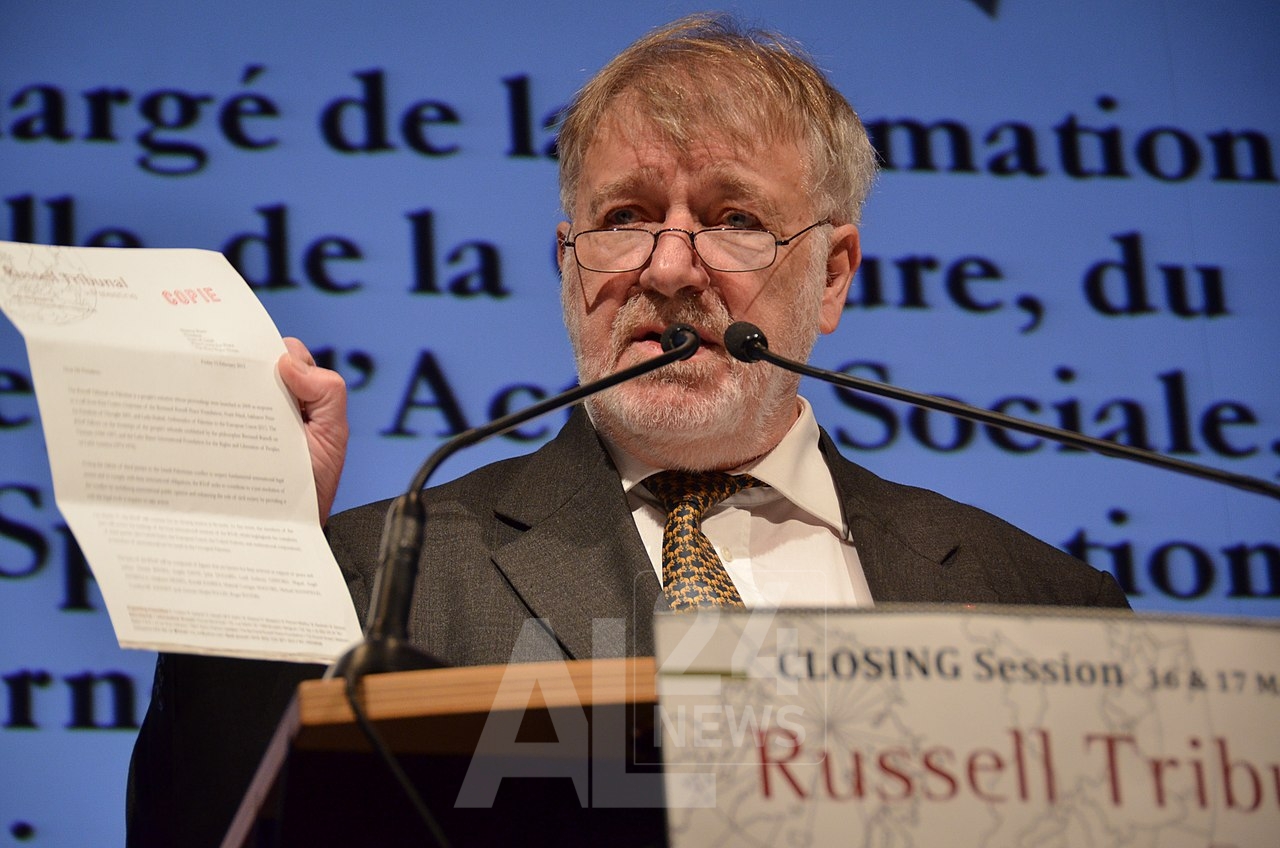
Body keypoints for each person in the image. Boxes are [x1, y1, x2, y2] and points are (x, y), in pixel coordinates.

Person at [127, 14, 1129, 847]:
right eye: (625, 218)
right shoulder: (382, 579)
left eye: (734, 218)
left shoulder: (1041, 602)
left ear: (831, 276)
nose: (668, 266)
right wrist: (250, 565)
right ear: (570, 266)